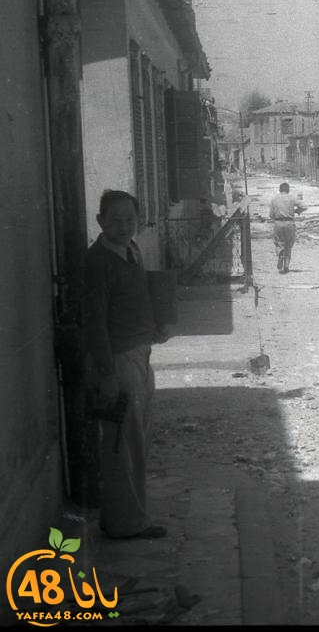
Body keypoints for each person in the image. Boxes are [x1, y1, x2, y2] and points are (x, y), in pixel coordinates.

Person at [82, 190, 171, 539]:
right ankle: (127, 524)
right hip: (118, 360)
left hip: (139, 352)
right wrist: (105, 375)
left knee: (136, 439)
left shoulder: (130, 250)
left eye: (130, 220)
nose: (123, 226)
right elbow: (94, 323)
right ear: (101, 221)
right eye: (115, 220)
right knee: (122, 442)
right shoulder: (97, 262)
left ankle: (123, 515)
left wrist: (158, 324)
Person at [269, 182, 306, 273]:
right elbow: (304, 206)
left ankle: (280, 253)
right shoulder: (292, 198)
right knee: (289, 245)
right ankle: (286, 266)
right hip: (289, 223)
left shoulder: (274, 199)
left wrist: (277, 218)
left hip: (278, 223)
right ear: (288, 190)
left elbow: (271, 215)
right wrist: (297, 211)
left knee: (278, 242)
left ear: (279, 189)